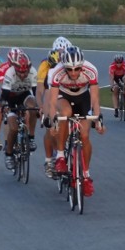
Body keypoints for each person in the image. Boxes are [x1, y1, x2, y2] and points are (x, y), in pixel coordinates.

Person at [45, 46, 105, 197]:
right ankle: (60, 156)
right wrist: (54, 122)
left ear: (82, 65)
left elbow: (95, 100)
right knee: (65, 113)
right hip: (63, 97)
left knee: (84, 136)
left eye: (77, 69)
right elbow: (52, 102)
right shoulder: (56, 72)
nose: (73, 73)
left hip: (82, 97)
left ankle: (85, 176)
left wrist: (98, 120)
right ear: (64, 67)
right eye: (69, 69)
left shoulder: (91, 70)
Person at [38, 36, 73, 178]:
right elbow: (41, 87)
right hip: (49, 92)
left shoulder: (72, 62)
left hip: (65, 93)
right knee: (50, 124)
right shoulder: (45, 64)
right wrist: (41, 106)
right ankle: (49, 160)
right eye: (58, 53)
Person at [0, 51, 39, 170]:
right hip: (10, 98)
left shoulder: (33, 72)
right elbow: (4, 95)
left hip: (24, 95)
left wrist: (37, 109)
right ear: (15, 69)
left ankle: (31, 138)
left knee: (33, 107)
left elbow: (35, 92)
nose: (22, 75)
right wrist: (4, 105)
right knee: (13, 128)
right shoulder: (9, 73)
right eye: (20, 72)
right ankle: (9, 155)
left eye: (25, 72)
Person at [109, 53, 125, 118]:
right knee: (115, 90)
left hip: (123, 77)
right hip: (115, 78)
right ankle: (116, 109)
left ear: (122, 61)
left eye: (120, 62)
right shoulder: (112, 66)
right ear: (115, 62)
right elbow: (111, 77)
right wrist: (112, 86)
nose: (119, 64)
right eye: (117, 62)